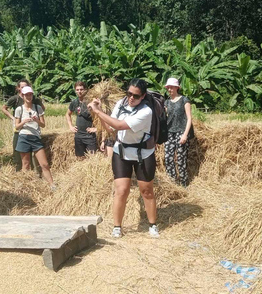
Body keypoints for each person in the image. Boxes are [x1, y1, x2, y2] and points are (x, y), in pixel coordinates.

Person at [87, 78, 159, 238]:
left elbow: (120, 125)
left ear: (143, 96)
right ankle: (117, 226)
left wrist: (98, 111)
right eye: (129, 93)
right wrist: (98, 111)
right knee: (121, 190)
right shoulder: (121, 104)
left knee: (146, 191)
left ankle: (152, 224)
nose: (131, 98)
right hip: (121, 151)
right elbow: (113, 129)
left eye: (136, 95)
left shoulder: (146, 111)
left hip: (143, 154)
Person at [14, 86, 55, 189]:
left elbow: (43, 125)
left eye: (30, 94)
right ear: (22, 96)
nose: (28, 96)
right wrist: (24, 121)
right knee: (26, 164)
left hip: (35, 138)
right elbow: (17, 126)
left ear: (32, 95)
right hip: (23, 137)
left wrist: (36, 120)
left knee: (44, 164)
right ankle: (25, 186)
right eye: (26, 95)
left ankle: (52, 185)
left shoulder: (38, 108)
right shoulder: (19, 109)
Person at [2, 79, 45, 172]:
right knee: (18, 155)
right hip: (19, 130)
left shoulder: (35, 99)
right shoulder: (15, 99)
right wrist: (13, 118)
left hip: (33, 131)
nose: (24, 89)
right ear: (18, 88)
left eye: (26, 87)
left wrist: (37, 117)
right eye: (22, 87)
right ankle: (20, 174)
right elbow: (4, 108)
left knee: (32, 156)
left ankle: (35, 174)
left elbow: (42, 109)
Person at [164, 77, 193, 187]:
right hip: (169, 133)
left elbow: (189, 118)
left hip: (181, 132)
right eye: (168, 87)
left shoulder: (184, 100)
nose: (169, 89)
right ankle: (172, 183)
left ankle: (183, 184)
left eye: (171, 87)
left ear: (177, 88)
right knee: (168, 158)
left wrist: (185, 135)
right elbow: (164, 117)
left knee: (180, 159)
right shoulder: (167, 102)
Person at [66, 81, 97, 157]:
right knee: (80, 159)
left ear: (86, 90)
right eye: (77, 90)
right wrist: (71, 126)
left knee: (92, 159)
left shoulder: (91, 102)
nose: (79, 91)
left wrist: (96, 129)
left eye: (81, 89)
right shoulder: (74, 102)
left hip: (90, 137)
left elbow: (100, 116)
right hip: (78, 136)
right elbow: (67, 114)